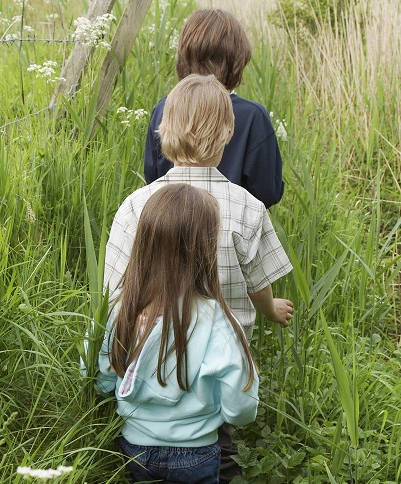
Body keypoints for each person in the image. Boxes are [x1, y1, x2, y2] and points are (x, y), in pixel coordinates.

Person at [105, 74, 294, 482]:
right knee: (215, 451)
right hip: (216, 372)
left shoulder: (136, 205)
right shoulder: (248, 207)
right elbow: (259, 281)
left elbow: (114, 291)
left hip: (143, 365)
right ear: (228, 131)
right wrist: (271, 308)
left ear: (163, 129)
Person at [97, 184, 259, 483]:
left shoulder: (120, 307)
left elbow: (99, 371)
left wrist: (106, 385)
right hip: (195, 451)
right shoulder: (216, 319)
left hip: (134, 446)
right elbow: (240, 400)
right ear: (204, 249)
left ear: (144, 243)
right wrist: (236, 417)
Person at [144, 8, 284, 209]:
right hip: (234, 226)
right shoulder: (253, 116)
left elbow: (153, 178)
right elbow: (267, 191)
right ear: (238, 59)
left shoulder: (164, 108)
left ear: (185, 56)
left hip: (169, 226)